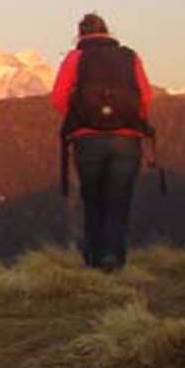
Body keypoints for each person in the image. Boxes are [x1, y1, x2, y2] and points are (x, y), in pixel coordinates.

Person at [52, 14, 153, 272]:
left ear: (80, 34)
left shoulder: (75, 58)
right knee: (118, 200)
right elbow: (145, 97)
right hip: (127, 139)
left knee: (92, 198)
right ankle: (115, 258)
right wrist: (129, 120)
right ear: (108, 32)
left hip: (88, 140)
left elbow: (58, 97)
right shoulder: (130, 56)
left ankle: (94, 259)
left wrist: (80, 117)